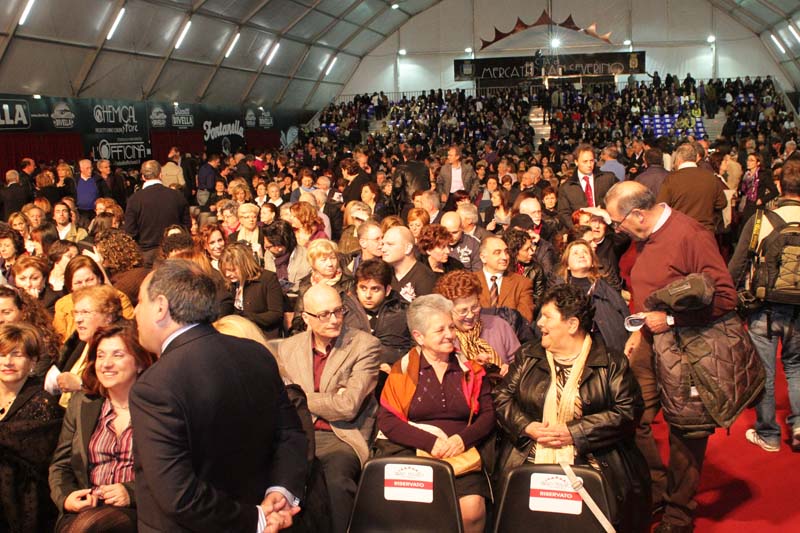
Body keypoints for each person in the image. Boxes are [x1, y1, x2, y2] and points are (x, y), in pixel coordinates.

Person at [605, 181, 763, 532]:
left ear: (638, 215)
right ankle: (657, 490)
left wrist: (672, 319)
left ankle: (678, 512)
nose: (617, 229)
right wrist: (638, 331)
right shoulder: (642, 237)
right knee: (631, 416)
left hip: (688, 345)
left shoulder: (691, 235)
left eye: (618, 222)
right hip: (649, 341)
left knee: (687, 432)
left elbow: (725, 297)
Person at [130, 259, 307, 532]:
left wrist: (256, 519)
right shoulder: (256, 354)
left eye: (140, 301)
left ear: (161, 307)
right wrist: (280, 491)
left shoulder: (154, 386)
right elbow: (290, 435)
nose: (134, 311)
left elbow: (179, 495)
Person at [493, 284, 651, 533]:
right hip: (529, 456)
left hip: (593, 461)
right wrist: (526, 426)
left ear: (572, 324)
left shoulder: (610, 363)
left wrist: (575, 432)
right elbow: (502, 397)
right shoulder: (528, 355)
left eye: (547, 317)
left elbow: (628, 411)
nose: (539, 323)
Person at [377, 294, 494, 533]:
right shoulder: (402, 371)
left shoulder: (470, 369)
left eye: (451, 327)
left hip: (461, 453)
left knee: (472, 510)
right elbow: (387, 421)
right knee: (417, 511)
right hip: (414, 451)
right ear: (419, 336)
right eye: (440, 330)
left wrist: (461, 440)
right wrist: (431, 443)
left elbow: (488, 416)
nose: (450, 334)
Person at [272, 284, 381, 533]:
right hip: (297, 434)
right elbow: (281, 399)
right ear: (306, 318)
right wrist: (329, 398)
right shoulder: (288, 348)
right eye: (324, 314)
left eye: (338, 311)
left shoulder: (365, 345)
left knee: (335, 483)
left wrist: (300, 398)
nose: (334, 319)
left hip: (339, 436)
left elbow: (348, 406)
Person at [48, 323, 156, 533]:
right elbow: (60, 465)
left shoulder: (157, 407)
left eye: (117, 355)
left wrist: (131, 492)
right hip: (86, 508)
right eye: (100, 355)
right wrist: (67, 498)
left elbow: (175, 468)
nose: (106, 364)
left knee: (92, 527)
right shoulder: (81, 403)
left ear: (140, 362)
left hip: (138, 509)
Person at [729, 158, 800, 452]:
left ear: (780, 186)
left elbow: (737, 265)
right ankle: (799, 424)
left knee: (765, 372)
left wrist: (729, 299)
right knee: (796, 366)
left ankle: (769, 434)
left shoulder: (761, 220)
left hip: (764, 307)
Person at [0, 323, 64, 533]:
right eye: (2, 355)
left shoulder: (43, 403)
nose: (8, 362)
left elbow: (35, 460)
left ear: (33, 361)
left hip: (24, 501)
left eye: (17, 355)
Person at [342, 258, 413, 387]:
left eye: (375, 289)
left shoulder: (403, 311)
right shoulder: (343, 311)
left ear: (387, 290)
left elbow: (415, 349)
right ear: (356, 288)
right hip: (350, 379)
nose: (368, 295)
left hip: (393, 380)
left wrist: (396, 367)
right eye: (363, 288)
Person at [435, 270, 520, 374]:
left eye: (475, 307)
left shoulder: (499, 325)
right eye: (463, 311)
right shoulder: (445, 338)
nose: (470, 315)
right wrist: (473, 366)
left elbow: (521, 363)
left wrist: (511, 370)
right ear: (447, 310)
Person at [556, 240, 629, 354]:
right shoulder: (558, 293)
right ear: (567, 265)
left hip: (605, 352)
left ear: (593, 263)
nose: (581, 255)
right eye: (575, 253)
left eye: (585, 252)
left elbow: (625, 317)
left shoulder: (606, 291)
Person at [52, 255, 135, 343]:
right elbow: (59, 340)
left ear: (99, 279)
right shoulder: (62, 305)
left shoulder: (116, 297)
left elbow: (129, 330)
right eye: (78, 283)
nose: (84, 286)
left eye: (89, 280)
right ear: (71, 286)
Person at [124, 160, 190, 267]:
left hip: (147, 255)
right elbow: (186, 226)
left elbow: (130, 232)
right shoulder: (177, 196)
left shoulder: (134, 200)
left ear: (143, 177)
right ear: (160, 175)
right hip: (174, 252)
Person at [656, 143, 727, 233]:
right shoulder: (710, 177)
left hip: (680, 231)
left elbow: (661, 207)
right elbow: (722, 203)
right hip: (705, 232)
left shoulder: (671, 179)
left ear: (679, 159)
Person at [219, 242, 284, 339]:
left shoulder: (268, 279)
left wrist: (245, 318)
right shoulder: (229, 283)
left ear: (244, 265)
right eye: (225, 270)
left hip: (262, 335)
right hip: (235, 335)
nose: (227, 274)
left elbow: (276, 314)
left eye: (232, 270)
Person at [291, 239, 354, 333]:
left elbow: (352, 317)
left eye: (333, 258)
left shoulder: (348, 283)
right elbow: (297, 319)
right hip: (310, 332)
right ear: (313, 263)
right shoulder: (306, 284)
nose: (330, 264)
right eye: (323, 260)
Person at [475, 236, 534, 323]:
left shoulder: (522, 283)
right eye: (497, 253)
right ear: (483, 257)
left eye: (506, 252)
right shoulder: (470, 281)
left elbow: (524, 319)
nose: (505, 257)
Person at [557, 144, 617, 229]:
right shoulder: (566, 187)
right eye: (585, 161)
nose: (589, 165)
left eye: (591, 161)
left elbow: (620, 201)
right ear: (576, 162)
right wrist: (578, 229)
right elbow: (563, 213)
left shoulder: (608, 178)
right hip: (581, 231)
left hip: (607, 228)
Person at [381, 225, 437, 302]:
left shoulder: (425, 278)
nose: (383, 249)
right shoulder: (384, 273)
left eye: (390, 245)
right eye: (383, 244)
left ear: (408, 248)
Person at [737, 152, 779, 231]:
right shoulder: (746, 175)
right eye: (748, 160)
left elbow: (775, 191)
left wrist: (762, 200)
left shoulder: (763, 175)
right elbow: (743, 190)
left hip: (757, 206)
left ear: (758, 163)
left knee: (755, 229)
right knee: (745, 228)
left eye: (752, 160)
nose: (748, 162)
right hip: (747, 205)